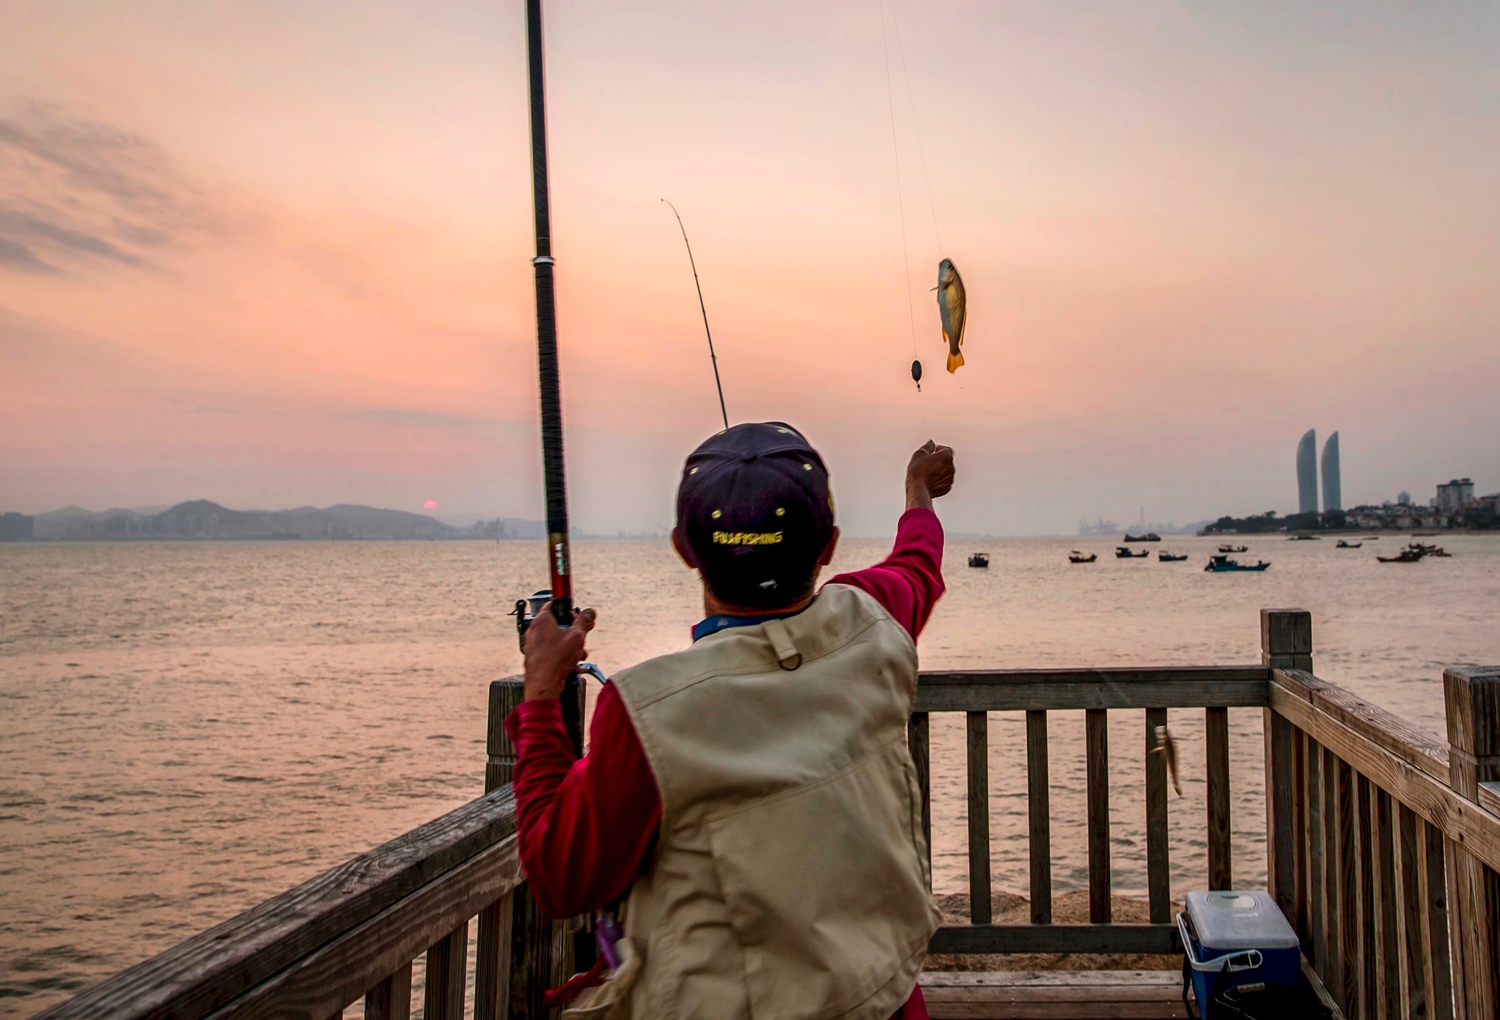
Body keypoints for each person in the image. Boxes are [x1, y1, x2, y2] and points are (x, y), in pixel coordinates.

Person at [510, 423, 955, 1019]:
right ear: (828, 545)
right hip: (883, 1002)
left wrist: (540, 695)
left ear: (683, 548)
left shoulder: (647, 716)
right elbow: (918, 560)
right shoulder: (874, 619)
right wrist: (918, 492)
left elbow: (559, 875)